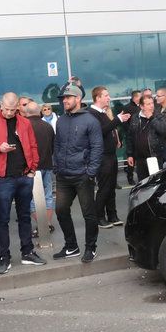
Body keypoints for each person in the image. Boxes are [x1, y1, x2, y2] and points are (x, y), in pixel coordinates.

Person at [0, 92, 44, 273]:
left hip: (24, 176)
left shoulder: (24, 122)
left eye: (12, 109)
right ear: (1, 105)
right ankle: (4, 256)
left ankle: (27, 252)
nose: (9, 112)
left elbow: (33, 145)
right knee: (2, 219)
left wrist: (32, 169)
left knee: (24, 216)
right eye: (6, 109)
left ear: (17, 107)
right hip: (2, 179)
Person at [52, 83, 103, 263]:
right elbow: (57, 145)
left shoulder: (90, 120)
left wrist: (91, 172)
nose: (64, 100)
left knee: (88, 213)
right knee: (61, 210)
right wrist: (56, 166)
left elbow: (97, 148)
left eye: (67, 97)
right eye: (63, 98)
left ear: (78, 99)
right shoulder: (61, 120)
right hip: (63, 175)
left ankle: (91, 247)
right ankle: (71, 246)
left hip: (83, 175)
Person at [89, 86, 130, 229]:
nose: (109, 98)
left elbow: (109, 129)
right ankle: (99, 217)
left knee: (111, 186)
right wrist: (117, 119)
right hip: (102, 156)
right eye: (106, 95)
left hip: (111, 155)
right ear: (98, 98)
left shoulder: (103, 113)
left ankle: (112, 215)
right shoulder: (92, 113)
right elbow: (100, 131)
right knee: (104, 187)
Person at [25, 102, 56, 238]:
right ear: (40, 112)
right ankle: (47, 224)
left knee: (31, 199)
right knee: (48, 196)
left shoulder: (24, 126)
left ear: (26, 113)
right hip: (47, 165)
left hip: (30, 168)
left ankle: (42, 225)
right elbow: (53, 147)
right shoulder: (48, 127)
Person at [126, 95, 161, 181]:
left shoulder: (158, 116)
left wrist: (152, 118)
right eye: (148, 104)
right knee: (142, 183)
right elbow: (130, 136)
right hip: (140, 158)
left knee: (154, 182)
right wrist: (130, 155)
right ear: (141, 106)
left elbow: (163, 130)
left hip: (153, 157)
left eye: (152, 103)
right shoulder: (135, 117)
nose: (152, 106)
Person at [121, 91, 141, 184]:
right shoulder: (127, 108)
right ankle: (130, 177)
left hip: (141, 137)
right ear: (135, 97)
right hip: (131, 138)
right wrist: (130, 132)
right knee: (131, 158)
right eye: (140, 96)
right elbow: (124, 123)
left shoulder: (142, 106)